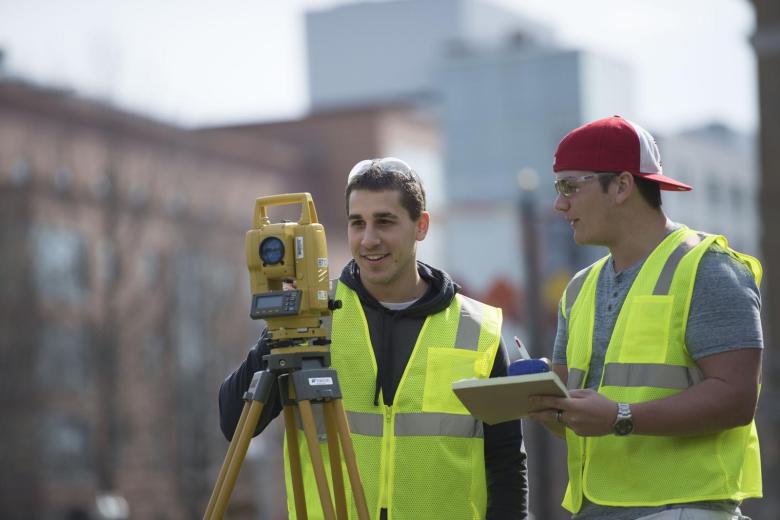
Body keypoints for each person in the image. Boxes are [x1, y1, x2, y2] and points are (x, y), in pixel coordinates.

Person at [220, 157, 528, 519]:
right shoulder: (315, 318)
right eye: (357, 223)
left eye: (384, 221)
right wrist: (281, 331)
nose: (368, 239)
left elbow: (506, 463)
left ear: (421, 226)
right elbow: (232, 420)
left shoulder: (477, 329)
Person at [527, 115, 763, 520]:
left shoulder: (708, 268)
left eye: (570, 186)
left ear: (621, 185)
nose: (558, 203)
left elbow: (737, 398)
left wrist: (621, 416)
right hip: (594, 510)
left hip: (685, 510)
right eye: (557, 188)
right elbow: (579, 422)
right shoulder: (578, 289)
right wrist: (546, 402)